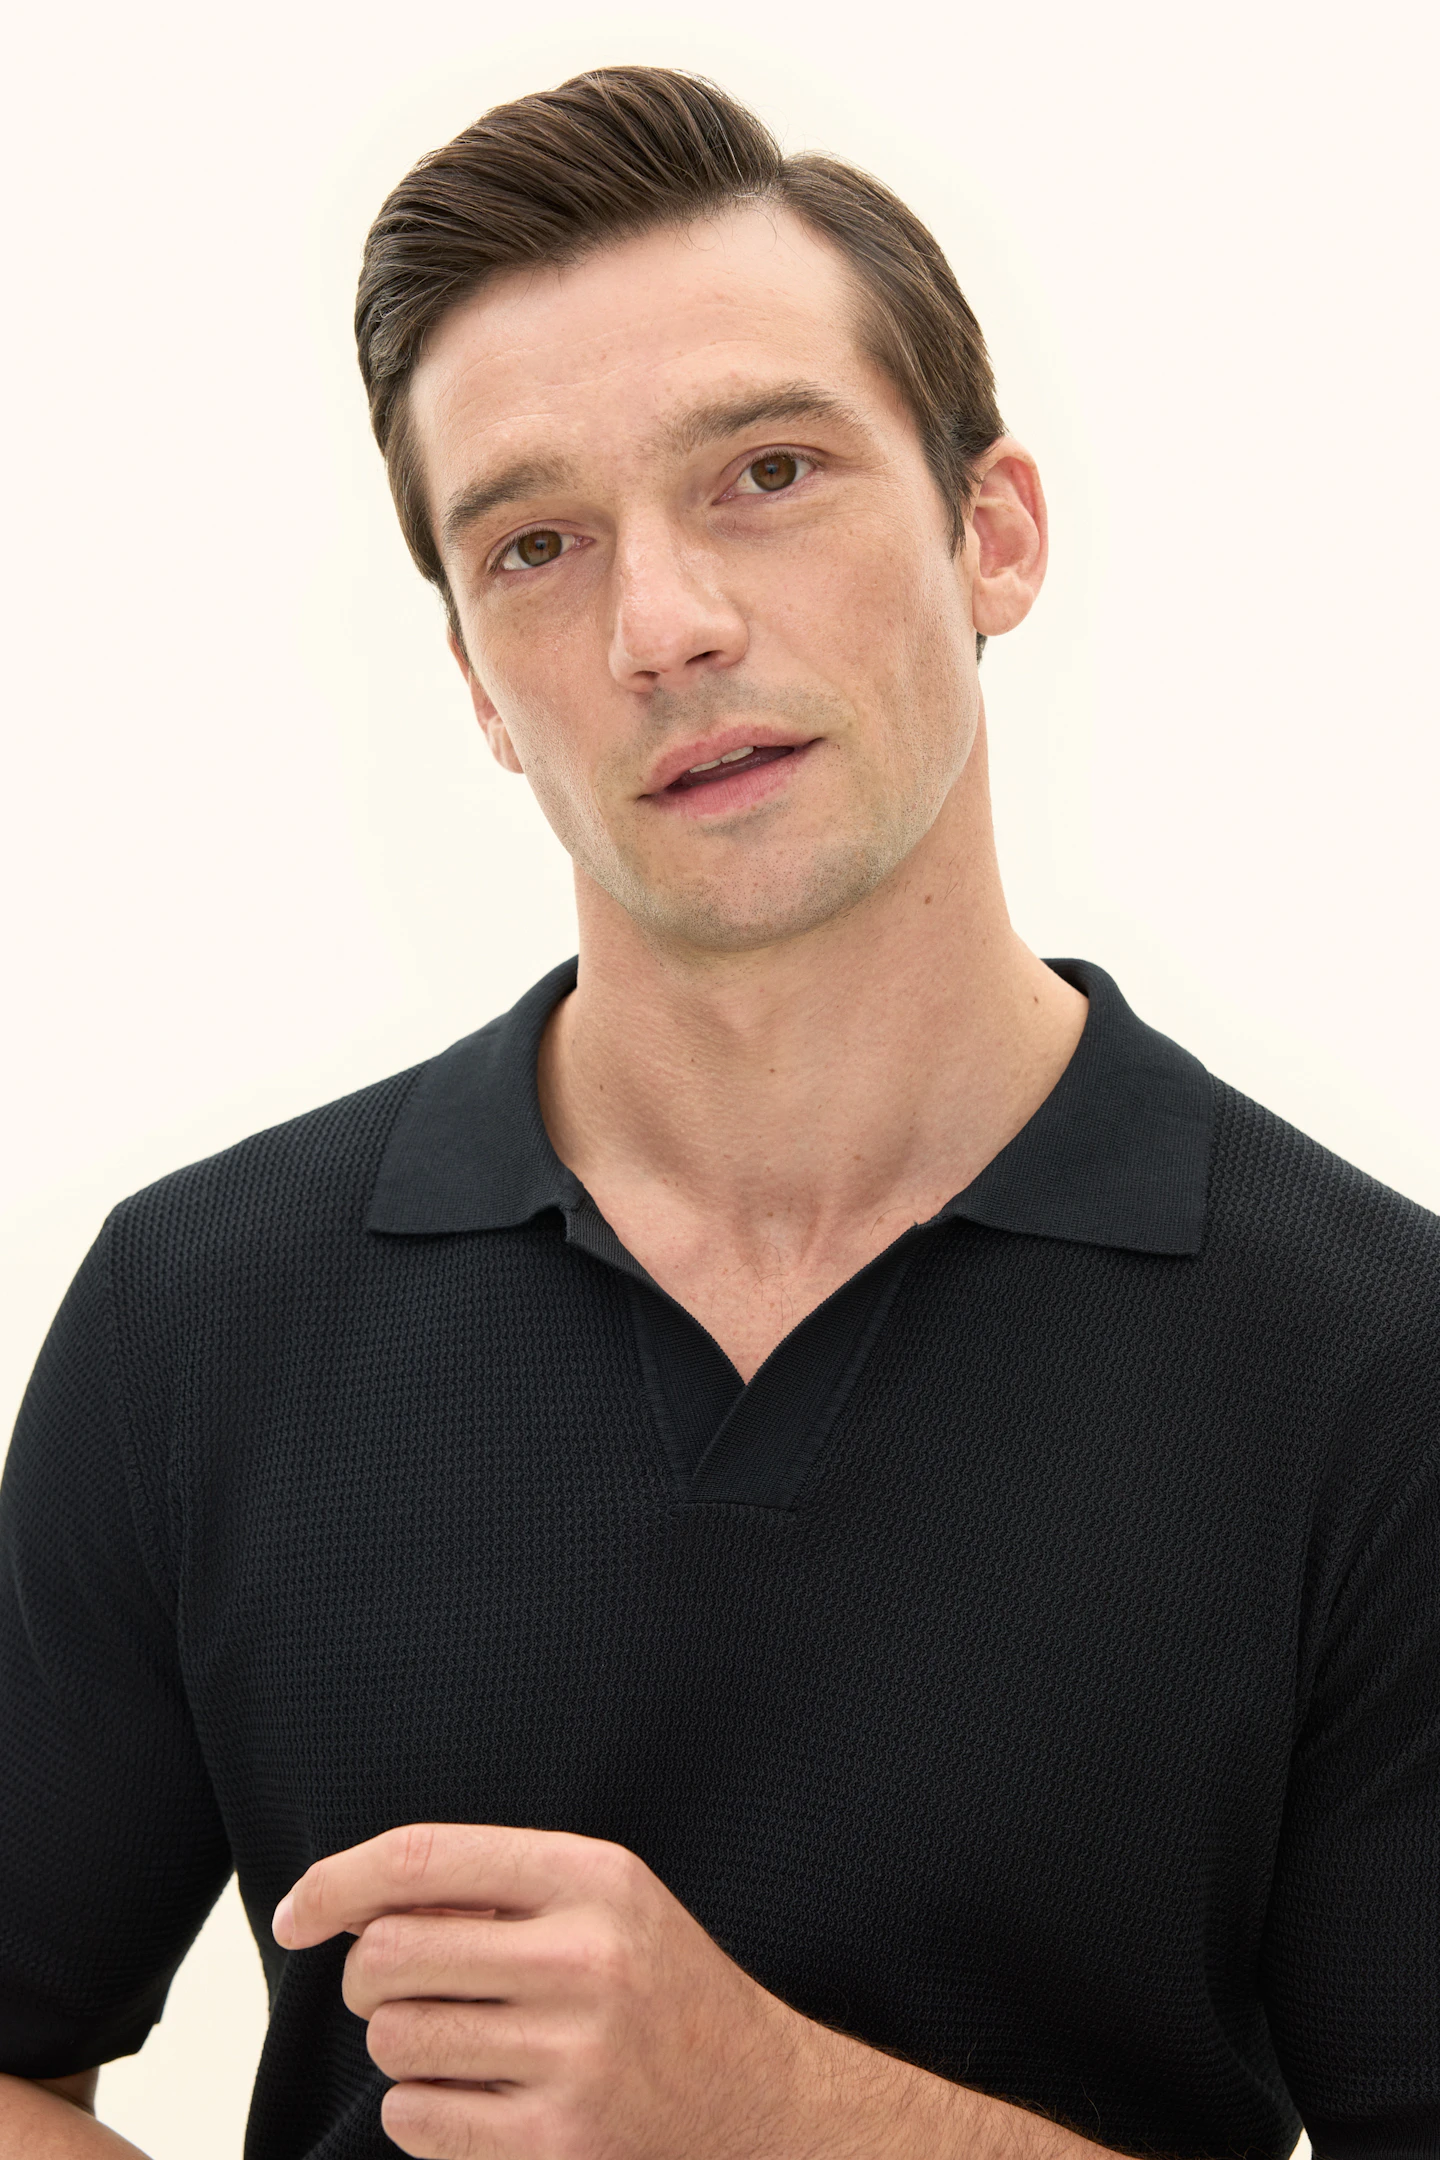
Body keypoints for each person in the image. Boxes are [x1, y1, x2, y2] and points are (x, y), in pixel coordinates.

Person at [1, 63, 1436, 2160]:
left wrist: (773, 2108)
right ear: (480, 688)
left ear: (992, 535)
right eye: (536, 544)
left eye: (768, 471)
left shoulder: (1378, 1365)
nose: (663, 626)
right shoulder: (193, 1309)